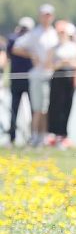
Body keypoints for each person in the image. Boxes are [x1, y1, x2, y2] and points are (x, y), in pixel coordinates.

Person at [12, 4, 58, 147]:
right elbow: (16, 48)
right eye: (44, 15)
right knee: (38, 108)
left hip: (51, 75)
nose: (46, 18)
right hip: (37, 75)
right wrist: (32, 55)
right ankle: (35, 136)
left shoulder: (54, 33)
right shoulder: (35, 33)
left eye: (49, 15)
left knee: (46, 108)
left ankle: (43, 136)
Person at [46, 21, 76, 148]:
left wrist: (69, 63)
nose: (61, 34)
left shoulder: (74, 47)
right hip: (57, 78)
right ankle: (54, 134)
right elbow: (48, 65)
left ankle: (64, 135)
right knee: (55, 106)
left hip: (69, 78)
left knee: (67, 106)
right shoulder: (53, 48)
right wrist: (60, 64)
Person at [5, 17, 34, 145]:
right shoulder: (16, 39)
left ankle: (25, 136)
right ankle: (14, 137)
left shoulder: (13, 38)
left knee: (28, 109)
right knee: (15, 109)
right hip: (21, 78)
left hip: (25, 78)